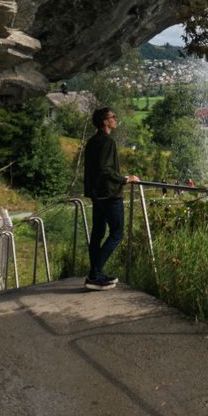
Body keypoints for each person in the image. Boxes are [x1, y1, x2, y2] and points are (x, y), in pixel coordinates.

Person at [83, 107, 137, 290]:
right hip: (109, 194)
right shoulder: (108, 142)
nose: (115, 119)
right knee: (117, 233)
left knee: (98, 233)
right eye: (113, 117)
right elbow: (105, 169)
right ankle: (95, 273)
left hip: (97, 194)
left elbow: (94, 169)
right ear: (105, 122)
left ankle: (96, 274)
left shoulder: (92, 142)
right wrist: (125, 179)